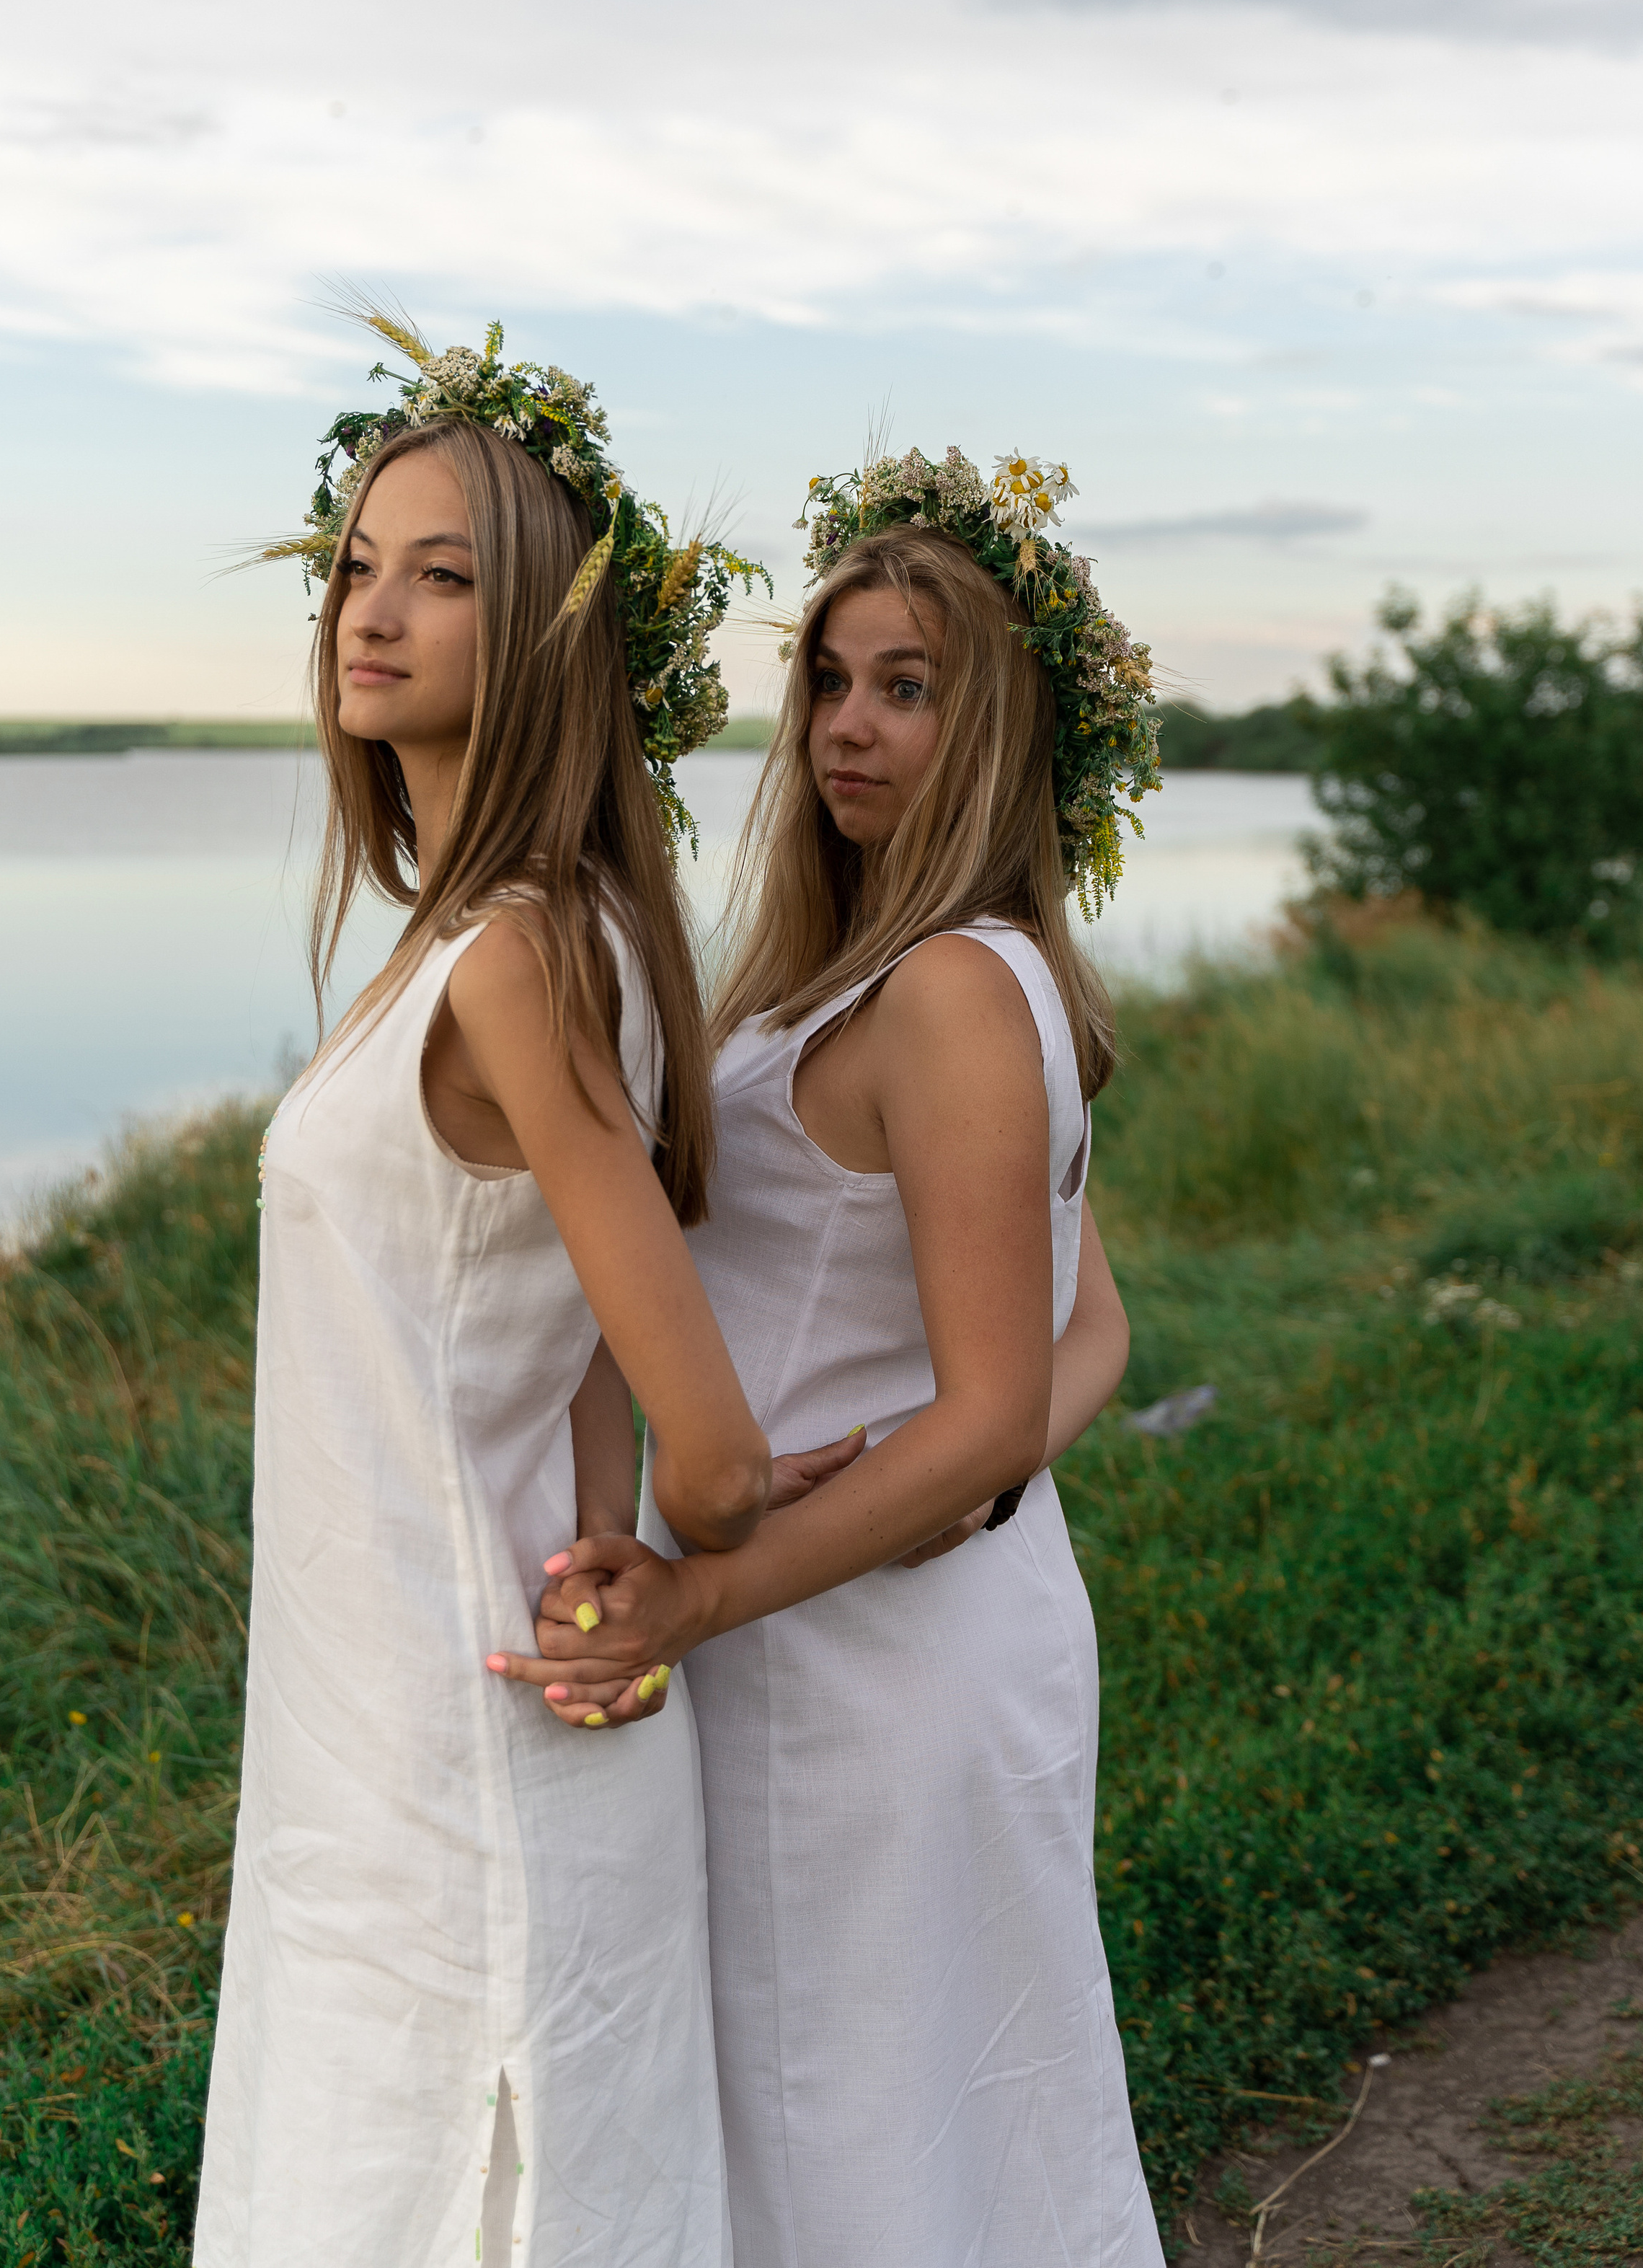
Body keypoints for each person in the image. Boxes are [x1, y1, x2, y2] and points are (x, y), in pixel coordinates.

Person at [494, 444, 1166, 2267]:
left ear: (1006, 728)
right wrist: (976, 1472)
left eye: (908, 687)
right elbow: (1079, 1331)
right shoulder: (957, 969)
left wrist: (722, 1591)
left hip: (853, 1664)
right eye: (828, 679)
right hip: (910, 1612)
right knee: (963, 2122)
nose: (844, 726)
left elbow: (1010, 1388)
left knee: (849, 2136)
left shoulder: (948, 989)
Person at [194, 318, 777, 2268]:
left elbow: (713, 1434)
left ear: (538, 638)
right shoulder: (478, 931)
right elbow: (571, 1324)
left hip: (470, 1748)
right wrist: (595, 1511)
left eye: (445, 576)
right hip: (374, 1729)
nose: (375, 609)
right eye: (360, 563)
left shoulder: (519, 950)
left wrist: (649, 1578)